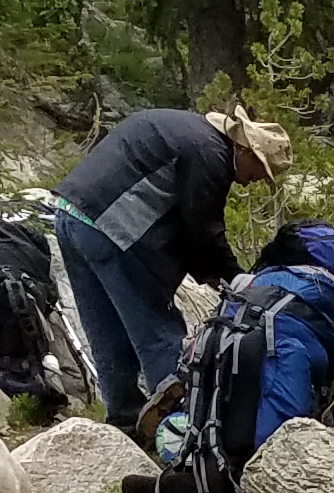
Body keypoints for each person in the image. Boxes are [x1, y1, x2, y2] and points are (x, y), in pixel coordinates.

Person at [53, 104, 287, 431]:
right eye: (258, 171)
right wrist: (235, 278)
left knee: (106, 329)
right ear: (245, 149)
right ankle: (180, 426)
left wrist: (212, 272)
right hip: (113, 228)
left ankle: (124, 418)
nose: (252, 182)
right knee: (159, 328)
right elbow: (203, 229)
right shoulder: (211, 155)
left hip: (70, 215)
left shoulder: (187, 130)